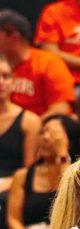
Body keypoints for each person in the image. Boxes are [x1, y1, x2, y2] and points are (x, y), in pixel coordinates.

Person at [6, 115, 80, 229]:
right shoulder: (22, 176)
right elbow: (13, 219)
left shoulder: (77, 174)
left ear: (69, 140)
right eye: (43, 132)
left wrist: (62, 154)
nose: (46, 137)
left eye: (54, 134)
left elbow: (73, 197)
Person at [0, 10, 74, 118]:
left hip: (40, 129)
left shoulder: (49, 63)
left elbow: (60, 109)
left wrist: (29, 127)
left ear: (13, 35)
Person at [0, 55, 40, 193]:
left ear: (13, 81)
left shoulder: (30, 121)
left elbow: (29, 173)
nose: (1, 82)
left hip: (13, 190)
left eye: (6, 76)